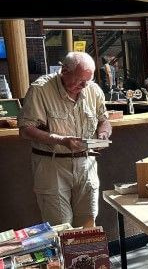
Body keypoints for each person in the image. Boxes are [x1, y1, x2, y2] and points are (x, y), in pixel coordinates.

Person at [18, 52, 112, 227]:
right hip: (52, 165)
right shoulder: (41, 89)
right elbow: (25, 130)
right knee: (60, 225)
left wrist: (103, 135)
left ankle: (85, 256)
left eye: (87, 81)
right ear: (64, 71)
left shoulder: (92, 89)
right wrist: (61, 140)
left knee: (88, 223)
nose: (83, 86)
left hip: (86, 164)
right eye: (79, 80)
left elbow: (104, 120)